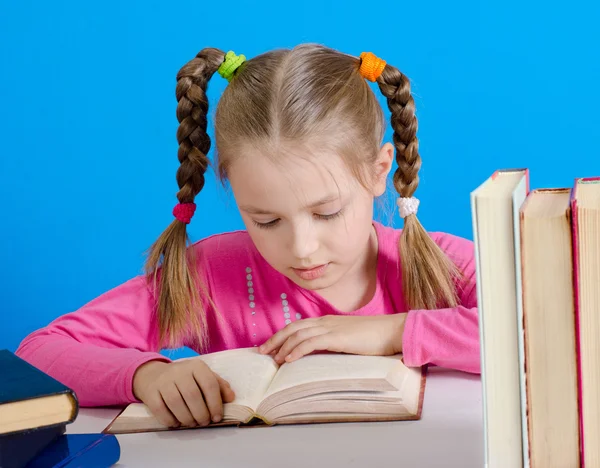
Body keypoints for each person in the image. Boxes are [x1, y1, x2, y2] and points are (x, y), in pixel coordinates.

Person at [16, 44, 479, 430]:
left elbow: (539, 328)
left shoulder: (440, 263)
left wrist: (392, 331)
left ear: (379, 172)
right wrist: (145, 375)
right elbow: (39, 352)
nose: (302, 248)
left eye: (327, 212)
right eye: (266, 220)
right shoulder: (213, 275)